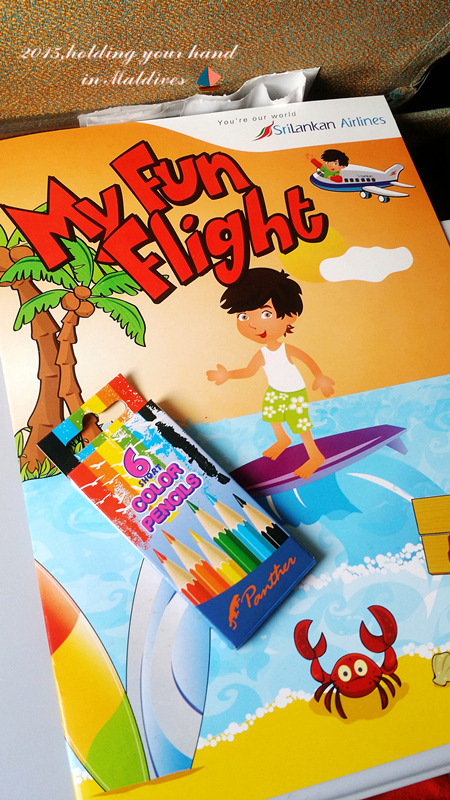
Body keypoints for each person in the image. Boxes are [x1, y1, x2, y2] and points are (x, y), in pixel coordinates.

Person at [206, 267, 334, 479]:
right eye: (243, 316)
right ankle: (282, 439)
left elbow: (306, 359)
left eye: (266, 314)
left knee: (300, 424)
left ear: (290, 316)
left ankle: (315, 455)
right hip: (275, 391)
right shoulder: (262, 353)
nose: (253, 324)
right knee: (272, 415)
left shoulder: (285, 349)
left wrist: (319, 377)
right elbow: (249, 371)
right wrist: (228, 375)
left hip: (294, 393)